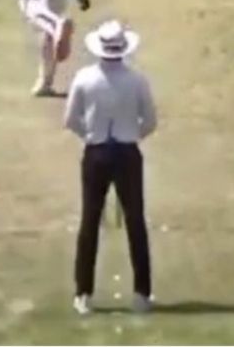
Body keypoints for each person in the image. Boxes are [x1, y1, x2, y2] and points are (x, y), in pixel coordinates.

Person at [65, 20, 158, 316]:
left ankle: (83, 294)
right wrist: (132, 137)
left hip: (96, 154)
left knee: (89, 222)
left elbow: (71, 119)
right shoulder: (137, 80)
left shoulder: (85, 78)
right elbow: (151, 121)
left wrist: (91, 138)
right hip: (128, 154)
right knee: (135, 223)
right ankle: (142, 294)